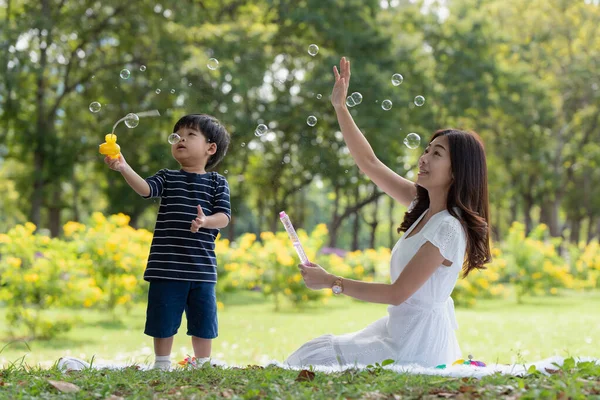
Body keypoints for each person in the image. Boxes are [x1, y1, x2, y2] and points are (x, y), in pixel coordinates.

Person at [285, 57, 491, 368]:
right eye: (426, 150)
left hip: (416, 345)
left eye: (437, 154)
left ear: (457, 171)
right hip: (397, 331)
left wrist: (331, 281)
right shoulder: (421, 205)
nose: (424, 158)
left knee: (316, 358)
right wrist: (341, 107)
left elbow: (397, 294)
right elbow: (369, 163)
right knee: (311, 353)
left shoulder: (448, 227)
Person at [105, 114, 231, 370]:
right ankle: (162, 363)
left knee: (204, 320)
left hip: (202, 270)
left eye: (190, 135)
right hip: (166, 267)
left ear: (211, 147)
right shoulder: (167, 177)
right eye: (177, 135)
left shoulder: (217, 182)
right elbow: (145, 189)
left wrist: (205, 221)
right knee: (162, 318)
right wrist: (123, 167)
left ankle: (203, 362)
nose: (180, 139)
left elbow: (224, 218)